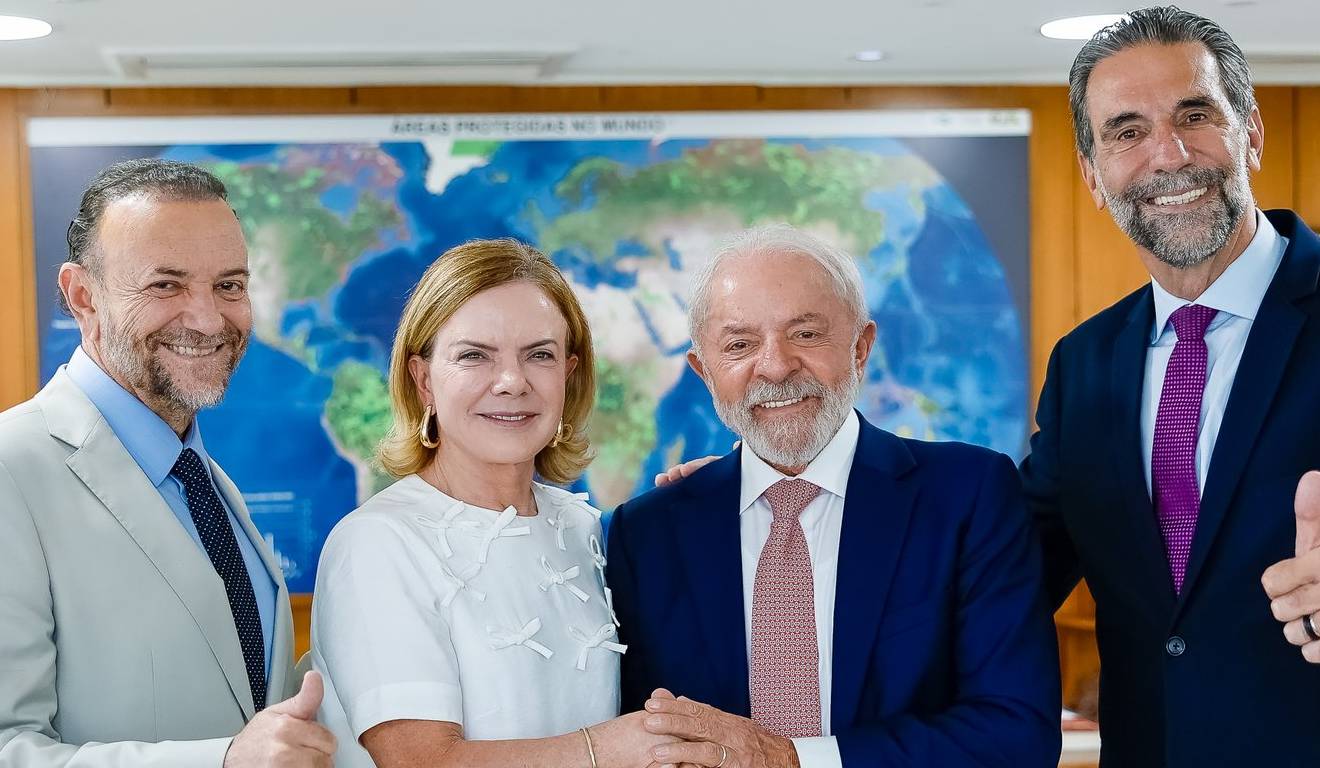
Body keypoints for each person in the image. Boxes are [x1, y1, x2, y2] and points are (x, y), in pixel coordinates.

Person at [608, 225, 1061, 768]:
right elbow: (633, 731)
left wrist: (792, 758)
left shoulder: (968, 494)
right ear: (704, 371)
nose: (775, 366)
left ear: (861, 346)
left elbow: (1017, 734)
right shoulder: (649, 532)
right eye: (739, 344)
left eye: (805, 334)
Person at [1021, 7, 1320, 765]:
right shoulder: (1083, 363)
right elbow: (1012, 558)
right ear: (1093, 175)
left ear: (1251, 131)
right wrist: (778, 498)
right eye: (1126, 131)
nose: (1170, 154)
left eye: (1196, 114)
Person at [0, 159, 334, 766]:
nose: (208, 319)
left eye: (229, 285)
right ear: (82, 296)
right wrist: (224, 761)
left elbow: (248, 696)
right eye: (166, 285)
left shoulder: (200, 479)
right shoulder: (9, 470)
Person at [310, 239, 671, 768]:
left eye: (539, 355)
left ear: (568, 375)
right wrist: (605, 751)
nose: (512, 382)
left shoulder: (585, 528)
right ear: (423, 379)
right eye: (474, 356)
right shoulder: (378, 543)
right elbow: (419, 762)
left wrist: (715, 494)